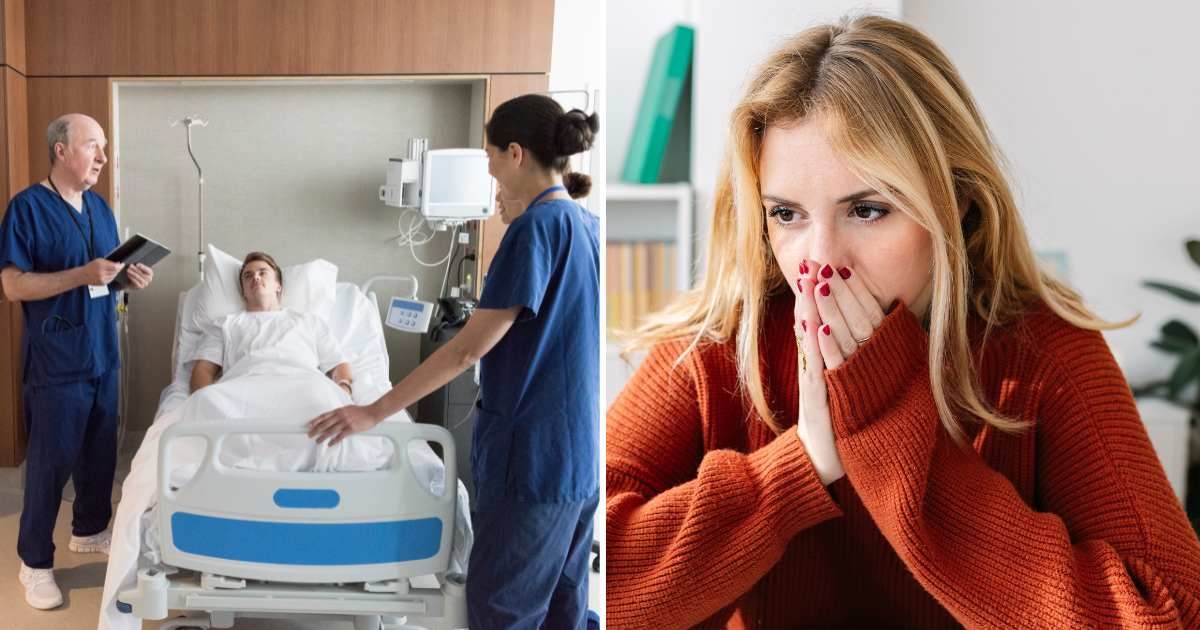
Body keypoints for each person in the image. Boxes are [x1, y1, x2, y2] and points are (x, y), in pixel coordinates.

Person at [606, 15, 1200, 628]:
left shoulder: (1043, 350)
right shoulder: (721, 342)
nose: (820, 260)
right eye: (786, 214)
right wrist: (799, 466)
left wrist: (886, 424)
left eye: (867, 210)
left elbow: (1169, 614)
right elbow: (585, 580)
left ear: (956, 203)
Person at [308, 94, 601, 629]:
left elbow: (468, 348)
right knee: (565, 611)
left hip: (531, 463)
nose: (490, 173)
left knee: (504, 610)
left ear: (516, 153)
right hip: (577, 460)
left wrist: (372, 412)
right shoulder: (586, 224)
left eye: (490, 158)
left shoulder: (534, 230)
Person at [0, 113, 154, 610]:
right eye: (93, 146)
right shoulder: (27, 208)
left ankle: (89, 530)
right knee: (50, 465)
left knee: (99, 454)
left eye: (104, 147)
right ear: (61, 150)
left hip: (101, 351)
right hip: (57, 359)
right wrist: (81, 274)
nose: (103, 158)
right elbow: (13, 285)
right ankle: (34, 562)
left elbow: (103, 276)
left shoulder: (100, 208)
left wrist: (126, 279)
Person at [189, 251, 353, 395]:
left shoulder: (309, 321)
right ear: (243, 291)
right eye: (248, 275)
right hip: (242, 391)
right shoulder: (224, 325)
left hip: (303, 388)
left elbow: (338, 363)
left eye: (263, 272)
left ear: (278, 286)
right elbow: (204, 369)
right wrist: (204, 400)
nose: (255, 277)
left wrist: (344, 388)